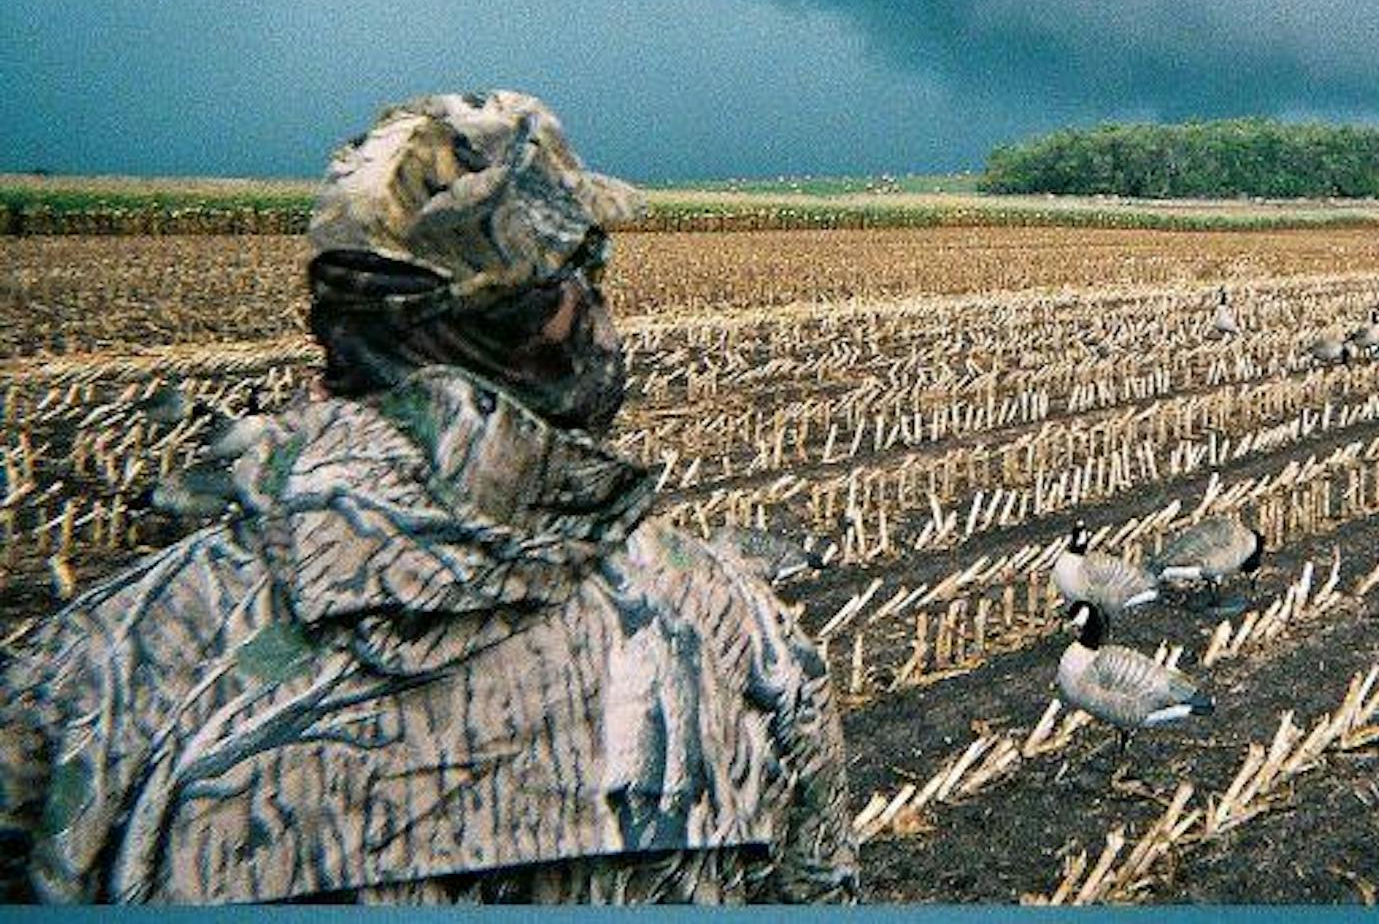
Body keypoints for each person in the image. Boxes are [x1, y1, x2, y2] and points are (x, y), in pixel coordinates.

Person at [0, 92, 857, 903]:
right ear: (557, 317)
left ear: (339, 326)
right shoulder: (735, 637)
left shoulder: (91, 676)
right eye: (590, 272)